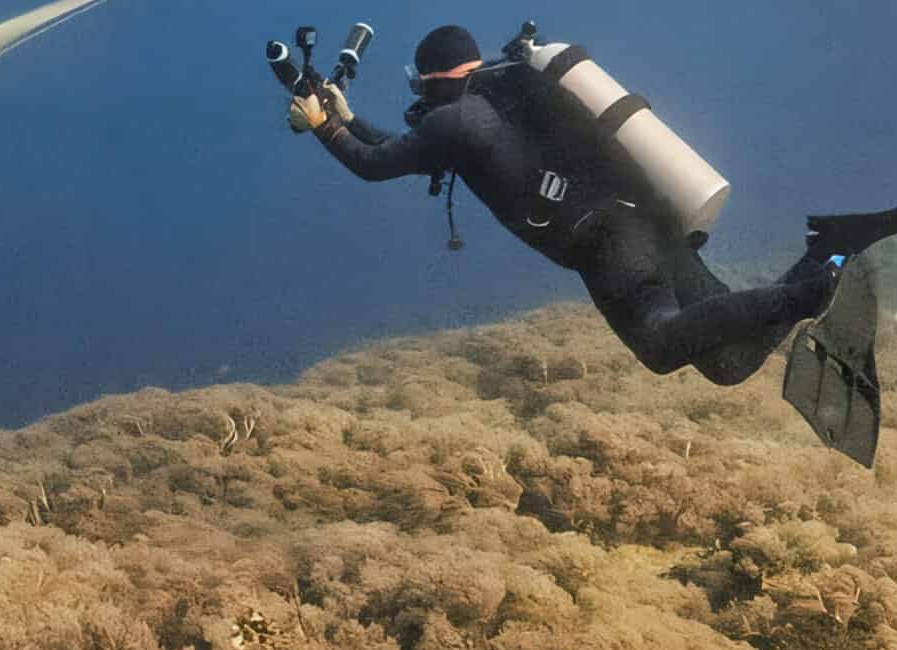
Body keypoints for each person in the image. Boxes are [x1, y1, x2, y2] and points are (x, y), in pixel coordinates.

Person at [289, 23, 841, 386]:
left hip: (607, 245)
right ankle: (826, 259)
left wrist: (319, 127)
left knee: (660, 345)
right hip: (645, 215)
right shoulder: (497, 97)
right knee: (728, 364)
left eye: (420, 83)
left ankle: (807, 294)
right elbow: (399, 147)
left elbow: (373, 165)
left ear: (432, 76)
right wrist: (345, 117)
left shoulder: (456, 119)